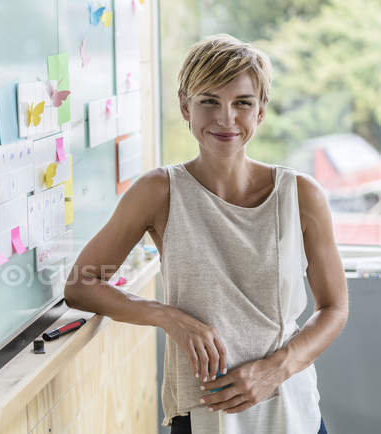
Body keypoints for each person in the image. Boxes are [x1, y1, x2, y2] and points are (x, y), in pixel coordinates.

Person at [63, 34, 348, 433]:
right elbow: (80, 284)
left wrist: (274, 370)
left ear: (261, 111)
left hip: (289, 409)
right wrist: (168, 317)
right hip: (202, 411)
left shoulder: (300, 195)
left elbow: (334, 307)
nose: (226, 118)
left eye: (242, 103)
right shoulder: (158, 192)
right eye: (209, 101)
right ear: (185, 106)